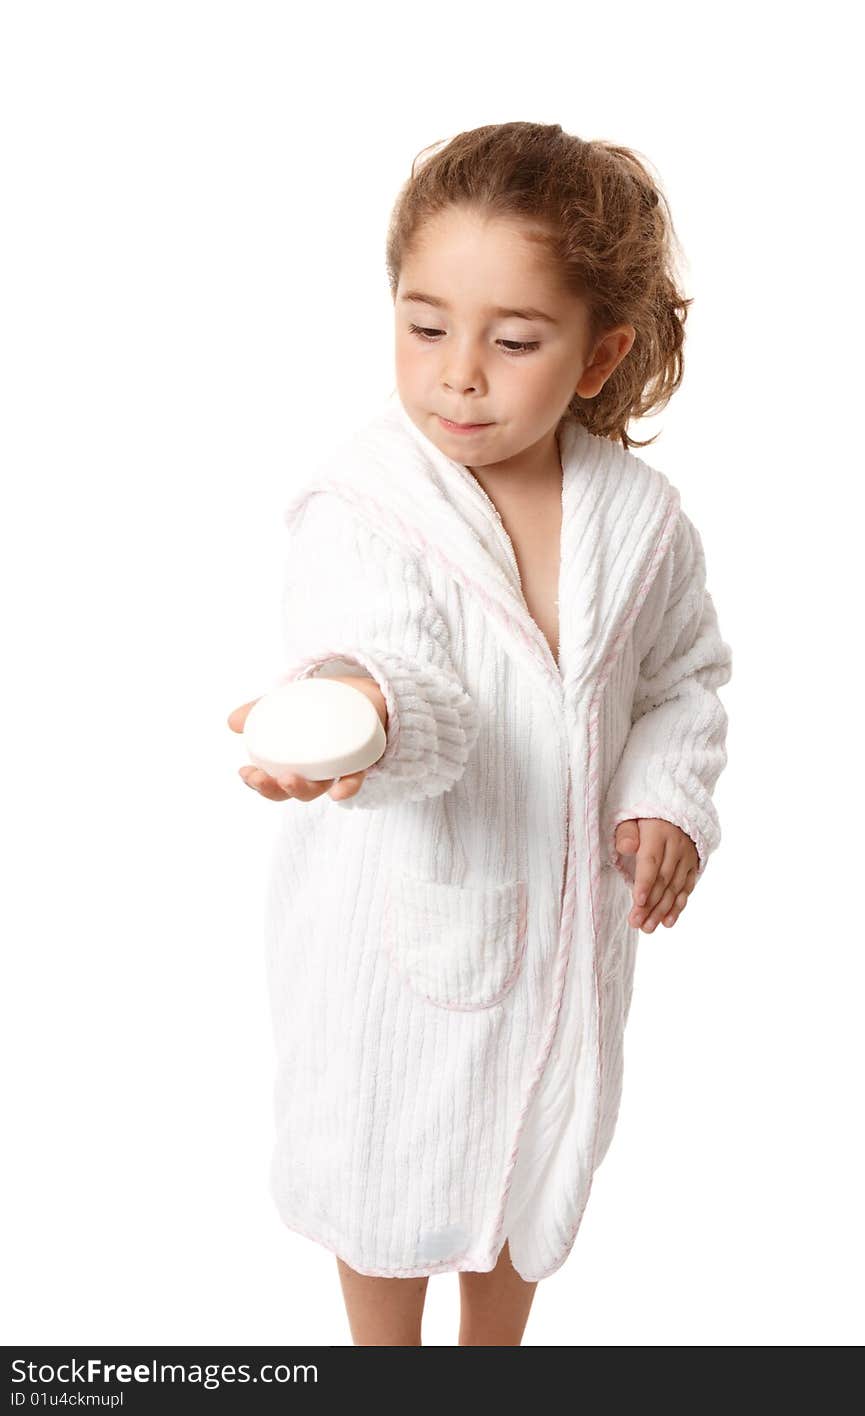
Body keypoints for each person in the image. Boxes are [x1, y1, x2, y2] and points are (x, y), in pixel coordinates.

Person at [227, 122, 733, 1346]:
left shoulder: (639, 518)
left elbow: (684, 678)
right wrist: (354, 714)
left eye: (512, 342)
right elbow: (387, 665)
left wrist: (664, 798)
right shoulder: (364, 504)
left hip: (563, 932)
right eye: (424, 326)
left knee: (531, 1162)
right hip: (404, 927)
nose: (459, 372)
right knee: (388, 1164)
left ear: (598, 355)